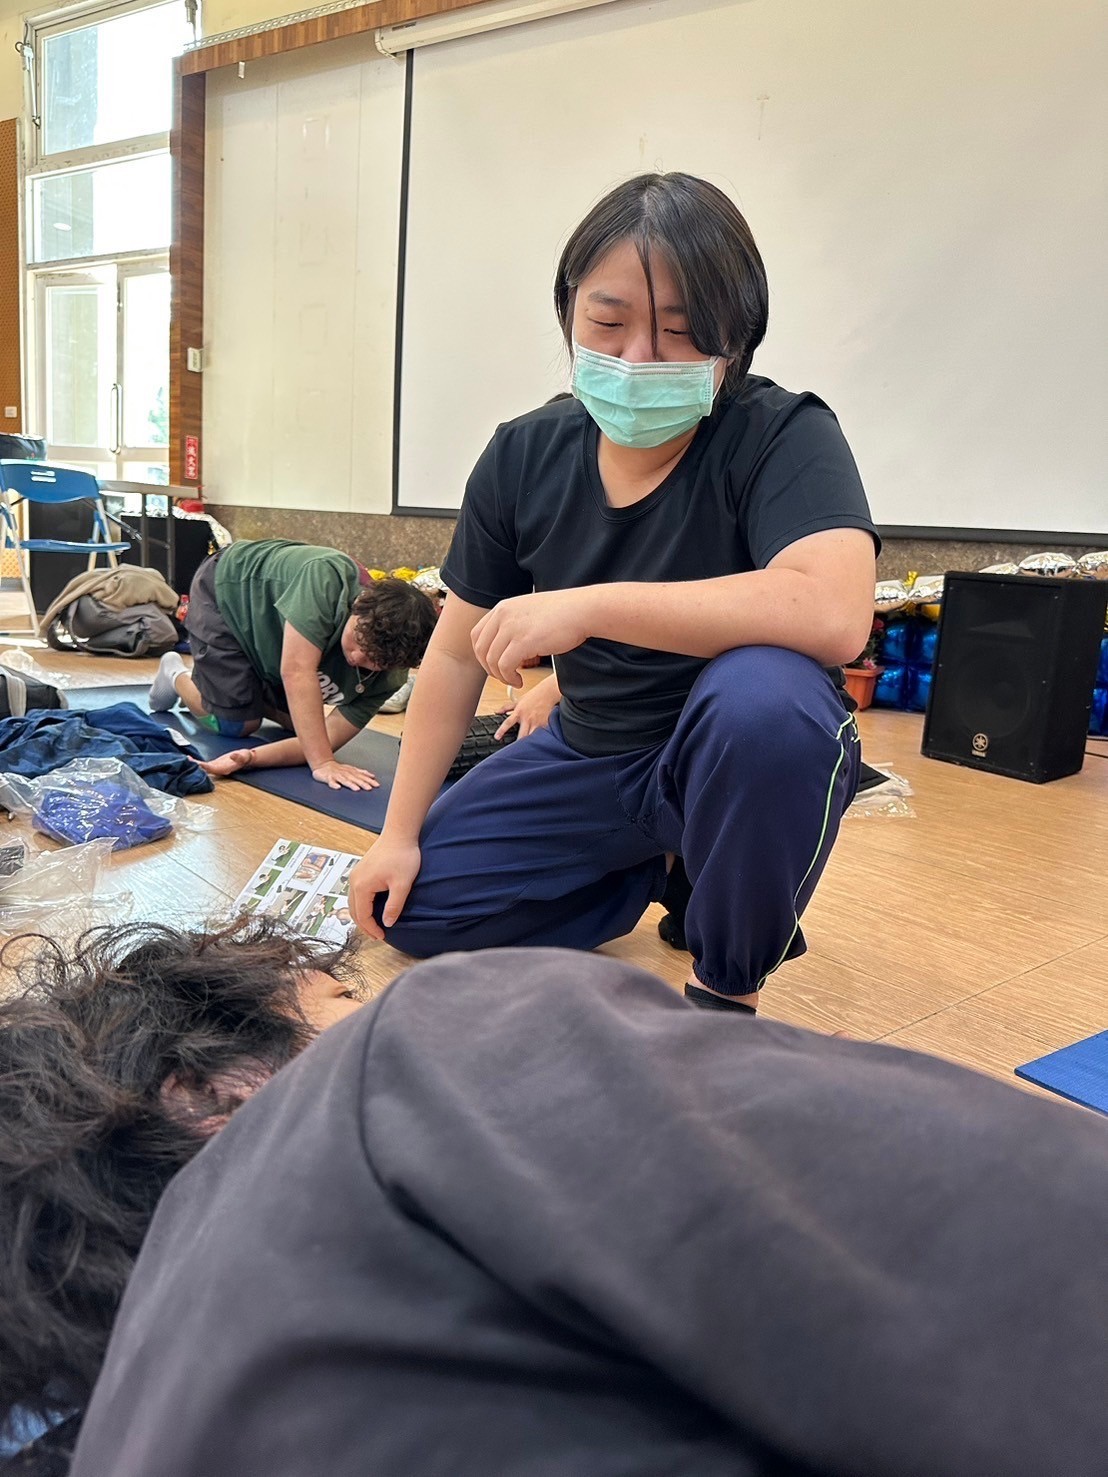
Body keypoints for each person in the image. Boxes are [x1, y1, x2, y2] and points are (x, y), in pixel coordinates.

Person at [2, 937, 1106, 1475]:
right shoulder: (401, 1071)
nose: (379, 999)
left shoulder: (123, 1436)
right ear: (209, 1092)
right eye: (344, 993)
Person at [348, 172, 877, 1009]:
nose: (637, 358)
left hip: (721, 751)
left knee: (769, 705)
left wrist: (589, 606)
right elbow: (452, 655)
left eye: (682, 332)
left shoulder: (783, 434)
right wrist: (398, 834)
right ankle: (653, 867)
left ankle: (724, 982)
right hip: (591, 750)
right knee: (415, 909)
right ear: (568, 312)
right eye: (608, 322)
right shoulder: (523, 454)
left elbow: (834, 612)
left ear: (736, 340)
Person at [149, 540, 437, 792]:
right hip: (228, 591)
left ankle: (248, 694)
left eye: (376, 661)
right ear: (356, 607)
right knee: (237, 725)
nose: (358, 658)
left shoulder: (391, 676)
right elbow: (297, 673)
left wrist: (251, 758)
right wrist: (322, 763)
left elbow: (328, 738)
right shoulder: (325, 581)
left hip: (270, 634)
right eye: (358, 640)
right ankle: (175, 674)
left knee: (303, 727)